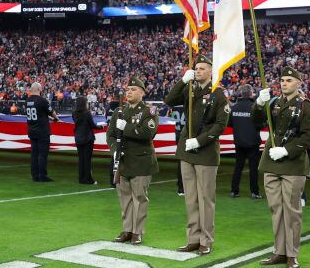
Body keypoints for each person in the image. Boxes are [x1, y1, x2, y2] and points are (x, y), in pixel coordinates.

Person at [163, 55, 229, 256]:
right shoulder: (190, 88)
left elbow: (220, 125)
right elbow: (169, 101)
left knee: (205, 199)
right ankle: (192, 238)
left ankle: (206, 240)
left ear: (211, 71)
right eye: (196, 68)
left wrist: (199, 141)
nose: (198, 71)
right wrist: (182, 81)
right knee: (191, 198)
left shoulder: (218, 94)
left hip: (206, 152)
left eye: (202, 68)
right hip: (186, 151)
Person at [253, 67, 310, 268]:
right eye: (282, 80)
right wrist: (258, 104)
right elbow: (256, 121)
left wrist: (287, 151)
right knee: (276, 210)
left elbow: (308, 136)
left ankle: (292, 254)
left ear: (299, 83)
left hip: (292, 164)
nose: (284, 83)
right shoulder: (273, 102)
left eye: (289, 80)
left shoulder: (306, 107)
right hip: (271, 162)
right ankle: (279, 251)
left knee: (292, 211)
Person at [109, 77, 159, 246]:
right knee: (125, 198)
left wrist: (126, 128)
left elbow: (147, 133)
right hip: (122, 161)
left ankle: (138, 232)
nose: (129, 92)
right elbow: (110, 135)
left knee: (139, 198)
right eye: (128, 89)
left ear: (142, 93)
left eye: (133, 89)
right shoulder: (119, 112)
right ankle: (127, 230)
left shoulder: (149, 111)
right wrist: (115, 149)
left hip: (141, 162)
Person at [230, 84, 261, 199]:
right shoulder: (254, 107)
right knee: (253, 168)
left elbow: (229, 123)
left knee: (238, 167)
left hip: (239, 141)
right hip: (252, 141)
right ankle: (254, 192)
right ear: (250, 93)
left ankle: (234, 191)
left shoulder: (235, 107)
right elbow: (261, 124)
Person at [25, 82, 59, 182]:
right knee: (42, 154)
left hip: (32, 130)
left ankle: (34, 175)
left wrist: (50, 118)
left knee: (34, 154)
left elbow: (40, 113)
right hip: (42, 131)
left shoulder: (28, 101)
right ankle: (43, 176)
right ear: (39, 89)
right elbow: (51, 112)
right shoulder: (42, 100)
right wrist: (56, 118)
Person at [73, 95, 103, 185]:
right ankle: (88, 179)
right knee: (87, 160)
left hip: (78, 137)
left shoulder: (74, 113)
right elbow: (92, 125)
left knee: (81, 159)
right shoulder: (87, 113)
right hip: (87, 138)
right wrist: (101, 127)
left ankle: (81, 178)